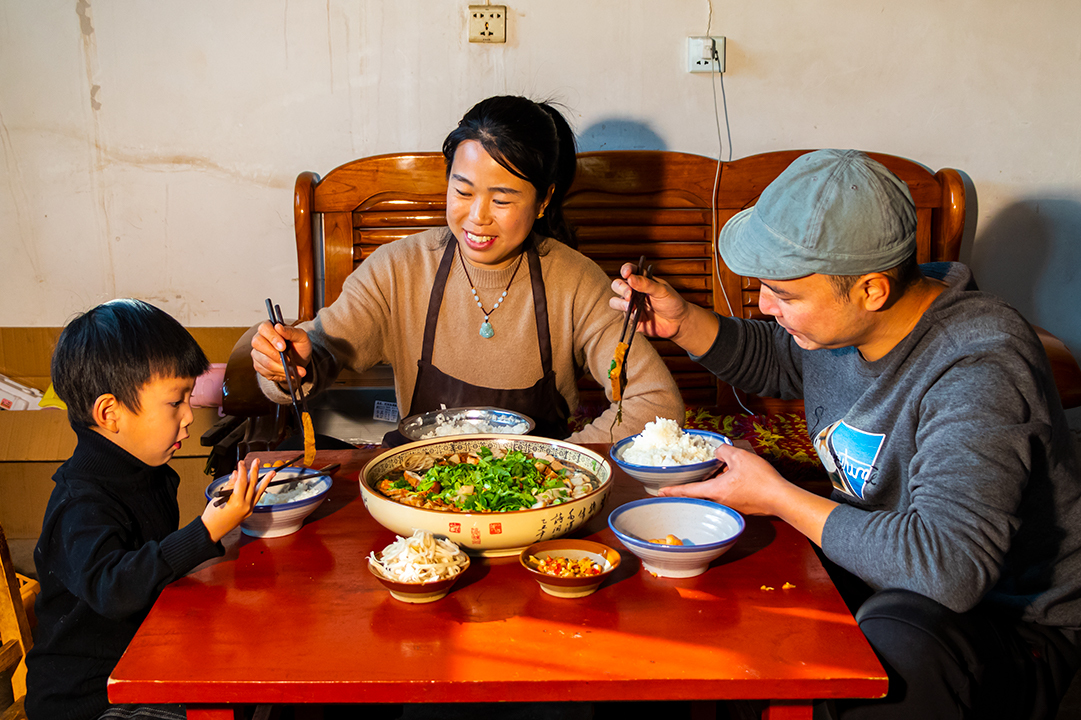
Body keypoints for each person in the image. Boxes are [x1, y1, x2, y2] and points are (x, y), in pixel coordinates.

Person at [610, 149, 1081, 719]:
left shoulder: (979, 366)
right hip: (888, 576)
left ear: (871, 290)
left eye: (785, 295)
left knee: (895, 635)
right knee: (728, 570)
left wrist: (780, 497)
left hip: (1008, 625)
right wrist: (683, 322)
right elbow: (782, 357)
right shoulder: (856, 321)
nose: (765, 306)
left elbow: (949, 569)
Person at [251, 95, 683, 445]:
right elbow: (317, 354)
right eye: (462, 191)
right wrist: (286, 365)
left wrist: (565, 463)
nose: (477, 217)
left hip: (541, 499)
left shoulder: (574, 281)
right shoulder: (398, 270)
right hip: (420, 496)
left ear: (544, 200)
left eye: (502, 200)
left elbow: (656, 401)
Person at [26, 299, 273, 720]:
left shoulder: (150, 471)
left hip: (145, 659)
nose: (189, 417)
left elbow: (154, 565)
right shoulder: (80, 502)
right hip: (92, 700)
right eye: (175, 402)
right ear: (110, 413)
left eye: (188, 399)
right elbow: (115, 586)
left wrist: (220, 511)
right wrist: (205, 531)